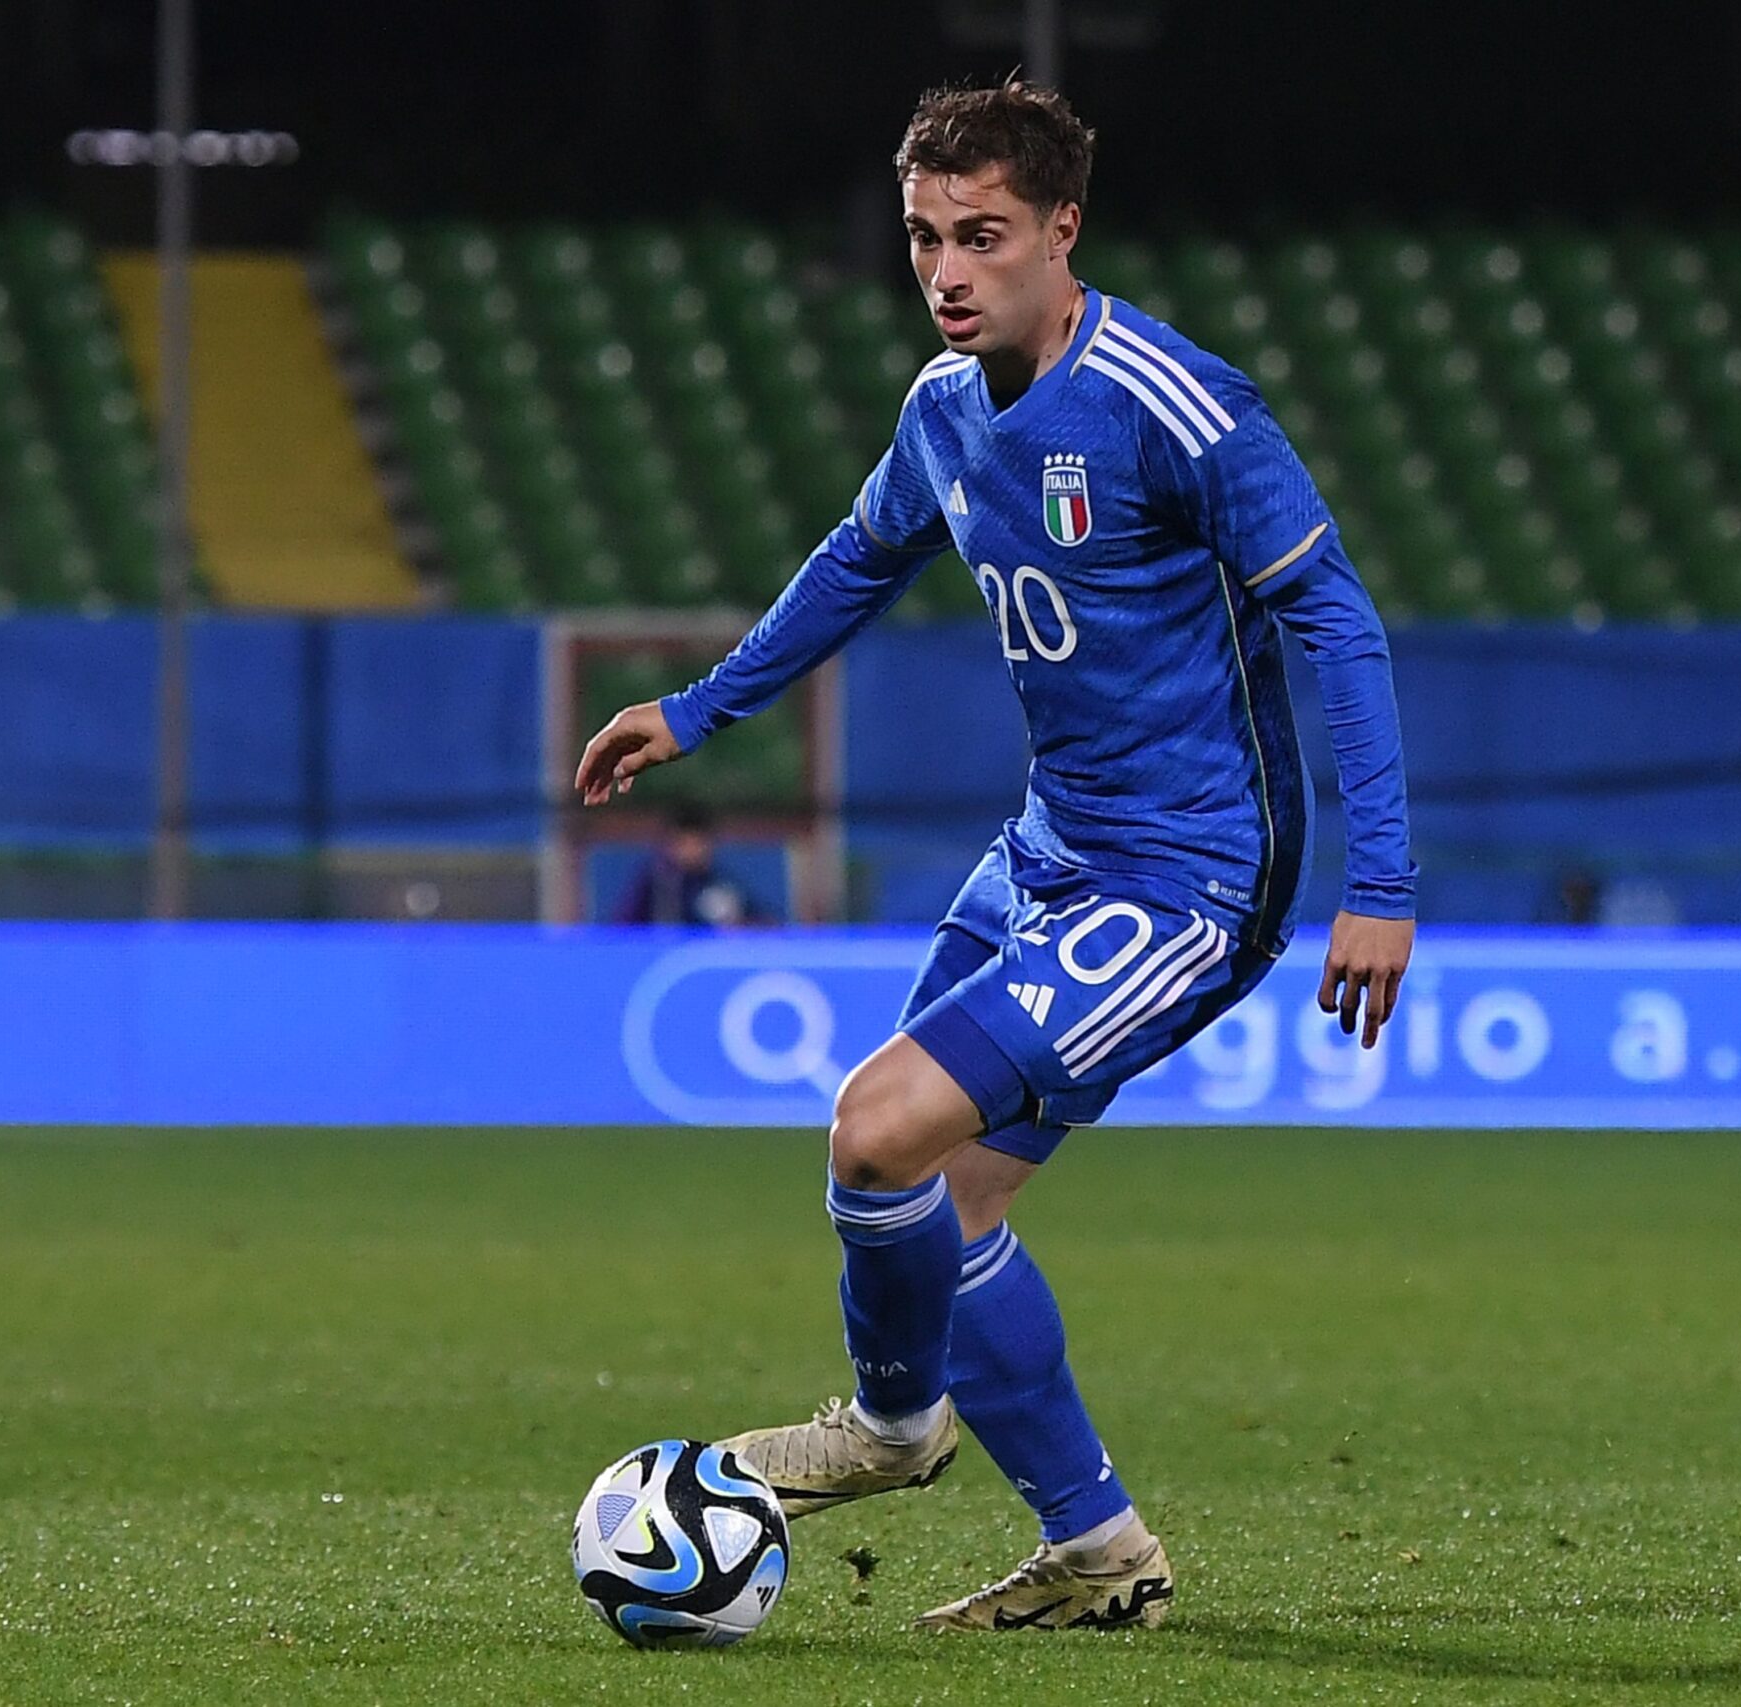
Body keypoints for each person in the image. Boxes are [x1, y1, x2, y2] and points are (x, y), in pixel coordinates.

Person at [575, 79, 1415, 1632]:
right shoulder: (945, 408)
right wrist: (699, 709)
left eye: (983, 235)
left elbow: (1337, 620)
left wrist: (1383, 883)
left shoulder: (1174, 404)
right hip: (1044, 853)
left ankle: (894, 1426)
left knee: (877, 1128)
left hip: (1190, 881)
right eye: (922, 237)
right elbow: (861, 555)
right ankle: (1100, 1549)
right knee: (937, 1208)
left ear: (1062, 229)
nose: (946, 272)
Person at [612, 800, 763, 927]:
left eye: (698, 843)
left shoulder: (720, 882)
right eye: (685, 843)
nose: (692, 850)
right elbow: (622, 929)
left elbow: (759, 923)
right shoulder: (655, 882)